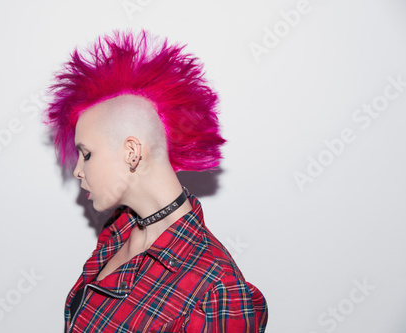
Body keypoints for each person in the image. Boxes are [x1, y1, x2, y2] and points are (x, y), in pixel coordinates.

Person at [43, 29, 268, 332]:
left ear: (131, 152)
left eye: (87, 154)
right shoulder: (118, 231)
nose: (78, 171)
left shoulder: (216, 293)